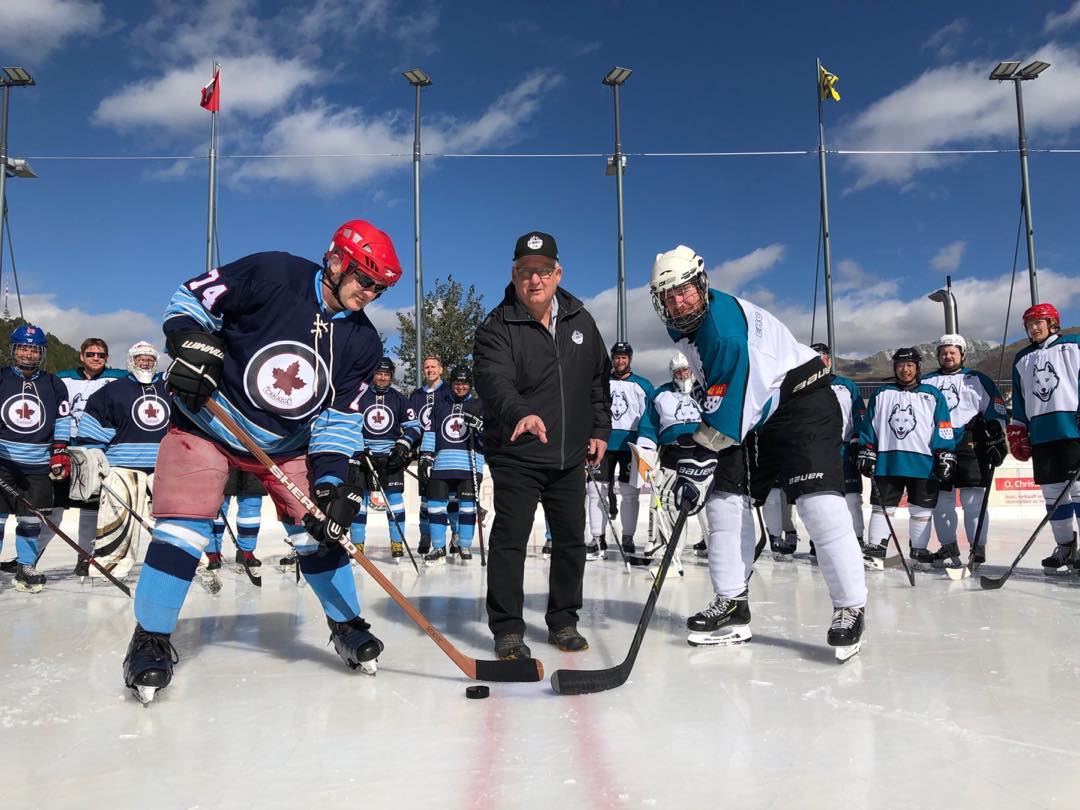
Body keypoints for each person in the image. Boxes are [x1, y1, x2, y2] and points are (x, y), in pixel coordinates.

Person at [121, 218, 400, 704]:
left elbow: (337, 421)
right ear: (335, 261)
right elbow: (191, 298)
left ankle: (347, 625)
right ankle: (151, 639)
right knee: (184, 529)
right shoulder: (274, 273)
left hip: (286, 445)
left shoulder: (363, 343)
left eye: (380, 286)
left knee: (317, 533)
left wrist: (332, 484)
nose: (371, 293)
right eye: (365, 279)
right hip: (207, 421)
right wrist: (188, 340)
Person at [648, 245, 867, 661]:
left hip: (800, 402)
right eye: (669, 296)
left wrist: (699, 457)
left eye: (685, 291)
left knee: (817, 502)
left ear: (701, 284)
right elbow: (725, 401)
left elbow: (731, 420)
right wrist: (701, 458)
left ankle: (849, 606)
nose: (679, 302)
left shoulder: (725, 333)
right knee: (724, 500)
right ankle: (731, 604)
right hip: (757, 407)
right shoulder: (687, 327)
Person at [474, 230, 610, 660]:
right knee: (511, 539)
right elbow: (494, 382)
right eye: (526, 272)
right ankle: (508, 629)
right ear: (514, 275)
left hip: (570, 455)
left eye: (543, 271)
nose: (535, 280)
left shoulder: (581, 321)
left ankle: (563, 620)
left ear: (558, 273)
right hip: (517, 452)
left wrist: (600, 431)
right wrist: (521, 414)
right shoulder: (496, 327)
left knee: (571, 539)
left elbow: (597, 381)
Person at [1, 338, 124, 575]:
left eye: (101, 355)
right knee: (51, 509)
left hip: (94, 453)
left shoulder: (118, 377)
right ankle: (29, 559)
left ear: (107, 358)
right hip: (63, 449)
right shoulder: (62, 378)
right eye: (90, 354)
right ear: (81, 356)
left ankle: (85, 558)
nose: (95, 358)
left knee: (90, 508)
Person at [68, 341, 169, 579]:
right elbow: (94, 429)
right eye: (139, 358)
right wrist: (96, 459)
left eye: (149, 359)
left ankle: (175, 564)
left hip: (163, 467)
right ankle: (110, 566)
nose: (144, 362)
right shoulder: (113, 390)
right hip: (122, 467)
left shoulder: (169, 389)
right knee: (117, 520)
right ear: (130, 362)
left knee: (170, 520)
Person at [858, 348, 957, 570]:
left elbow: (943, 426)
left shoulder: (932, 394)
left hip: (924, 463)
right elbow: (869, 425)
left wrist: (944, 452)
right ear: (895, 368)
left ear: (918, 368)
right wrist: (867, 448)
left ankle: (919, 551)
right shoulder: (881, 393)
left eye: (910, 365)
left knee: (921, 510)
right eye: (901, 365)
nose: (905, 370)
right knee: (882, 508)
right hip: (887, 461)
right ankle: (876, 549)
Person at [922, 334, 1008, 568]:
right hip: (938, 444)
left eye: (952, 352)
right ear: (938, 355)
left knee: (973, 501)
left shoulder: (976, 379)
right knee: (941, 501)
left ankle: (977, 548)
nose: (948, 356)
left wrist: (997, 436)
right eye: (943, 352)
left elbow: (996, 408)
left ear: (962, 354)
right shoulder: (927, 381)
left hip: (971, 443)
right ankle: (948, 546)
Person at [1006, 304, 1080, 574]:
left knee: (1079, 492)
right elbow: (1020, 396)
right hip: (1041, 434)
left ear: (1053, 323)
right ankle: (1065, 547)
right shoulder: (1022, 358)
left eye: (1040, 322)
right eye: (1029, 324)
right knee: (1053, 494)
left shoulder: (1075, 344)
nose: (1034, 327)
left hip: (1074, 430)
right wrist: (1017, 428)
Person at [0, 324, 71, 593]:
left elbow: (62, 421)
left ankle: (26, 565)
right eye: (23, 348)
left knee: (31, 520)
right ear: (13, 350)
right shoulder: (2, 377)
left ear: (41, 353)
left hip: (38, 465)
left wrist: (60, 452)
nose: (28, 354)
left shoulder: (54, 383)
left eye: (34, 349)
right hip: (3, 461)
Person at [634, 351, 707, 560]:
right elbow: (649, 426)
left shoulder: (705, 389)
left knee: (706, 504)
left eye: (686, 370)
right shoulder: (660, 394)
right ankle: (670, 549)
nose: (683, 374)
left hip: (701, 451)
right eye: (679, 371)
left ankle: (717, 548)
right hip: (672, 453)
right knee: (669, 503)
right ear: (672, 373)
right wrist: (645, 454)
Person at [586, 342, 654, 559]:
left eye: (624, 357)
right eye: (616, 357)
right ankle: (598, 538)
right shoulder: (601, 382)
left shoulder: (643, 385)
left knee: (630, 494)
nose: (620, 361)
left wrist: (648, 442)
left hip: (631, 445)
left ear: (630, 359)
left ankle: (628, 537)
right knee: (596, 491)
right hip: (602, 442)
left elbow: (651, 416)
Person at [417, 365, 484, 565]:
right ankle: (438, 548)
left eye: (464, 384)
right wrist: (426, 456)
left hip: (469, 465)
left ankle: (463, 545)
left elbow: (492, 436)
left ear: (469, 385)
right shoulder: (439, 404)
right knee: (435, 506)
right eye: (457, 383)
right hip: (442, 464)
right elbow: (431, 432)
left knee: (467, 508)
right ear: (451, 384)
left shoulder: (480, 405)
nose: (460, 387)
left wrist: (480, 426)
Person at [346, 356, 411, 559]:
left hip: (390, 457)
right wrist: (359, 448)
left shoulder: (399, 398)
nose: (382, 378)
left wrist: (402, 447)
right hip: (363, 456)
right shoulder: (359, 396)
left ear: (391, 376)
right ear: (373, 374)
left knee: (395, 502)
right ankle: (357, 545)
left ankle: (397, 543)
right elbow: (349, 425)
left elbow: (414, 427)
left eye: (386, 374)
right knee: (359, 502)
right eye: (379, 373)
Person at [812, 342, 867, 552]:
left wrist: (856, 440)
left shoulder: (847, 385)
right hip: (817, 450)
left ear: (829, 360)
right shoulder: (802, 386)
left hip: (844, 449)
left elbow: (859, 415)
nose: (819, 362)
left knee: (852, 498)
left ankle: (857, 539)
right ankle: (821, 541)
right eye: (814, 358)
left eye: (823, 357)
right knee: (821, 499)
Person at [405, 355, 447, 555]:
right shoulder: (416, 396)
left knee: (450, 497)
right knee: (426, 498)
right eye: (427, 367)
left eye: (433, 367)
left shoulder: (448, 392)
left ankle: (454, 537)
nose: (430, 370)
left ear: (441, 370)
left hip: (446, 449)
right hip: (424, 451)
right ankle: (425, 535)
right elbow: (411, 424)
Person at [208, 469, 266, 573]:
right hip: (225, 455)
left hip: (252, 457)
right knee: (219, 502)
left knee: (252, 500)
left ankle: (246, 551)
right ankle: (212, 551)